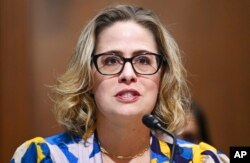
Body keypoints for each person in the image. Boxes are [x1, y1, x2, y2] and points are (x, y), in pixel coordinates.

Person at [11, 4, 229, 163]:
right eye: (111, 60)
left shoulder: (203, 160)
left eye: (143, 60)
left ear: (163, 75)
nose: (127, 73)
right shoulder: (41, 156)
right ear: (88, 75)